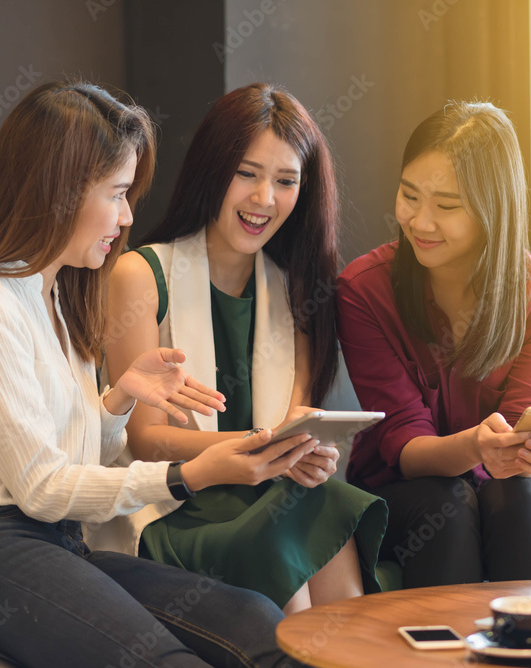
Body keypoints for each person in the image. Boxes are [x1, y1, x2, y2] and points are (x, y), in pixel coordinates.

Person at [0, 80, 309, 667]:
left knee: (256, 622)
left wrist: (116, 402)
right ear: (58, 191)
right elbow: (42, 487)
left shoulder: (61, 303)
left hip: (55, 539)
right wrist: (186, 476)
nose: (125, 218)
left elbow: (73, 468)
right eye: (117, 193)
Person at [103, 82, 387, 613]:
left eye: (285, 181)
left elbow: (296, 420)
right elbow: (143, 439)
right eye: (247, 174)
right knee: (287, 535)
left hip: (269, 496)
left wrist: (305, 454)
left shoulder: (296, 288)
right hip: (172, 505)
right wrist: (261, 448)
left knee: (320, 503)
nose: (264, 200)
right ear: (213, 169)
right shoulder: (141, 275)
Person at [336, 101, 531, 588]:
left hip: (508, 499)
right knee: (446, 502)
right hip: (404, 497)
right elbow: (404, 446)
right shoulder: (365, 289)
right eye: (409, 196)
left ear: (493, 209)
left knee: (521, 498)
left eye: (447, 206)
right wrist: (476, 448)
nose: (420, 222)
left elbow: (522, 427)